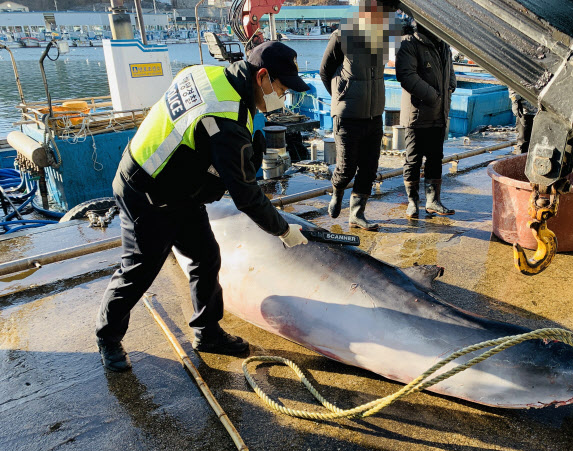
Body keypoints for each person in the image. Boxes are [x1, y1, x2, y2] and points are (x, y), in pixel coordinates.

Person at [95, 41, 310, 372]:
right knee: (139, 269)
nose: (283, 98)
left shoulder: (210, 73)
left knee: (205, 258)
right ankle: (107, 337)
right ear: (263, 77)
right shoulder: (223, 119)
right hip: (145, 189)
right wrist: (283, 229)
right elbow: (246, 196)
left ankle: (207, 332)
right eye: (281, 89)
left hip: (180, 189)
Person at [320, 0, 395, 231]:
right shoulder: (342, 35)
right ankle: (337, 192)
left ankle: (357, 214)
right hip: (348, 114)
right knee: (346, 167)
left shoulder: (384, 37)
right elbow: (324, 71)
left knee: (370, 167)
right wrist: (340, 95)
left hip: (374, 114)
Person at [395, 21, 456, 218]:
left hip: (439, 113)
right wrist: (434, 96)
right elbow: (406, 75)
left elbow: (450, 70)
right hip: (417, 114)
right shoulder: (409, 44)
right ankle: (413, 202)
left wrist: (451, 86)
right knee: (413, 160)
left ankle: (433, 201)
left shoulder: (443, 44)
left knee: (435, 157)